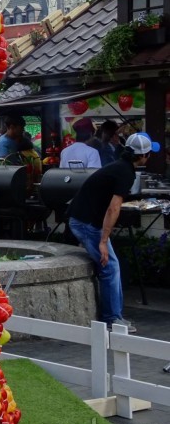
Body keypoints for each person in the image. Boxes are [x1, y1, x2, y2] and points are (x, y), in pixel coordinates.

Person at [67, 132, 160, 334]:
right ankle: (111, 319)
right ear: (143, 156)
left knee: (112, 265)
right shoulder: (125, 172)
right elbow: (113, 209)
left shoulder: (120, 166)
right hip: (85, 222)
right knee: (109, 267)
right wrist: (103, 240)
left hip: (83, 218)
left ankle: (114, 316)